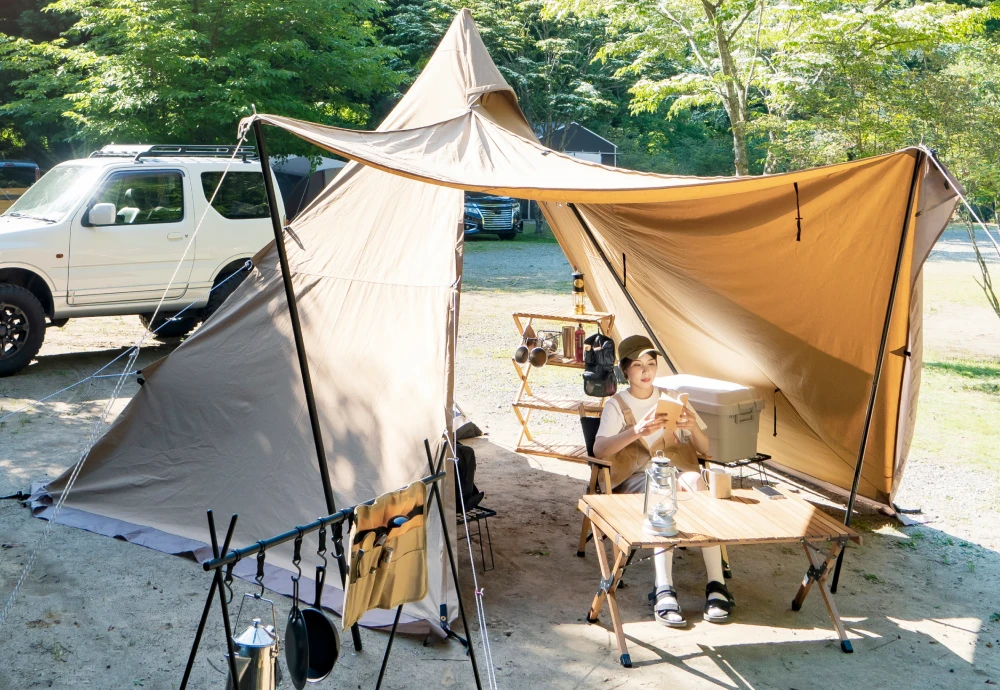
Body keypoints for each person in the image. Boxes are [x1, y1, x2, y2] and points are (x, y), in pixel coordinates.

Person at [592, 334, 734, 626]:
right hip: (635, 479)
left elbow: (705, 448)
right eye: (638, 365)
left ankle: (717, 584)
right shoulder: (617, 405)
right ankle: (663, 587)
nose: (646, 371)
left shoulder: (671, 399)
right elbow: (599, 450)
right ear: (624, 370)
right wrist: (637, 431)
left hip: (675, 471)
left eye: (651, 364)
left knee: (697, 484)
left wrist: (692, 427)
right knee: (663, 492)